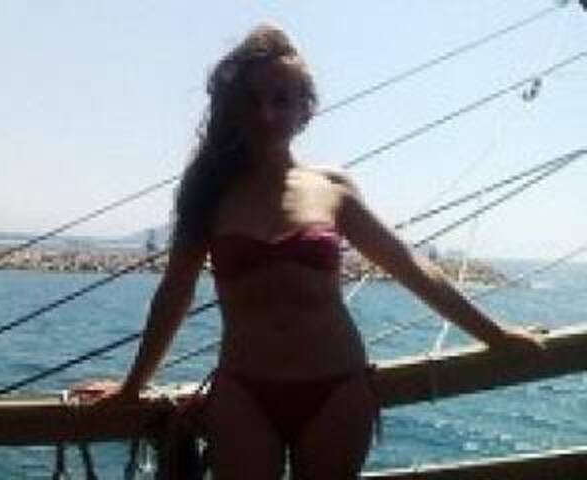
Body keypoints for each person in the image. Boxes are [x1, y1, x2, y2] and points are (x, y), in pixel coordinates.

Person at [81, 24, 543, 479]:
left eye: (281, 100)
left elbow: (413, 268)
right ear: (234, 109)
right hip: (244, 390)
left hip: (337, 386)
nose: (266, 113)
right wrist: (132, 387)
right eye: (253, 100)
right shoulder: (208, 192)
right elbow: (174, 293)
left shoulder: (333, 188)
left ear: (305, 110)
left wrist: (496, 335)